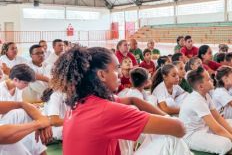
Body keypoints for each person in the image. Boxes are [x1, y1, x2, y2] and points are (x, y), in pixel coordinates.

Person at [51, 46, 185, 155]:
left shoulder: (82, 100)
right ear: (102, 75)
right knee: (170, 138)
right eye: (116, 69)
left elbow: (133, 100)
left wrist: (165, 117)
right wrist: (169, 118)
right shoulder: (106, 110)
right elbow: (180, 128)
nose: (120, 73)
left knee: (152, 128)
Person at [179, 67, 232, 155]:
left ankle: (229, 142)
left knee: (231, 122)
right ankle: (230, 145)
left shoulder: (206, 95)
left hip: (205, 128)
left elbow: (218, 118)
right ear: (201, 86)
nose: (212, 80)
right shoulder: (196, 100)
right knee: (226, 143)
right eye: (208, 79)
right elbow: (216, 128)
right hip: (192, 135)